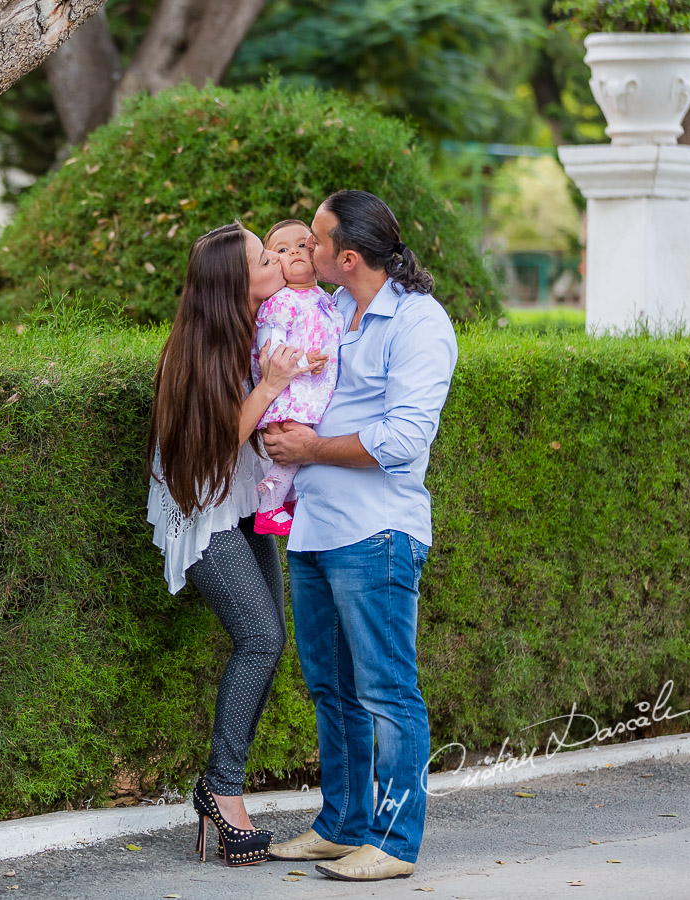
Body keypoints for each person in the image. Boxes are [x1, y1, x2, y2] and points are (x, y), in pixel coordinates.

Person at [262, 191, 458, 882]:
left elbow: (404, 438)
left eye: (312, 241)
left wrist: (309, 448)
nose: (300, 252)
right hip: (315, 528)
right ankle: (342, 826)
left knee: (386, 691)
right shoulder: (334, 310)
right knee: (331, 688)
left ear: (347, 256)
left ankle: (395, 841)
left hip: (378, 532)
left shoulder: (418, 323)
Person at [145, 222, 324, 867]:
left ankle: (222, 788)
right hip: (206, 513)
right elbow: (217, 448)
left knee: (270, 639)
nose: (277, 261)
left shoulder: (258, 327)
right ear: (234, 282)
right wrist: (272, 386)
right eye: (262, 257)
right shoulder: (194, 352)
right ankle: (222, 795)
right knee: (262, 638)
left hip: (250, 504)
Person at [249, 219, 345, 536]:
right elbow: (270, 349)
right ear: (275, 264)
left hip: (315, 392)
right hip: (290, 393)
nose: (296, 252)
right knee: (289, 454)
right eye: (283, 250)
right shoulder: (280, 303)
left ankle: (285, 503)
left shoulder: (327, 298)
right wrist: (304, 361)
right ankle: (268, 507)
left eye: (303, 245)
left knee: (299, 455)